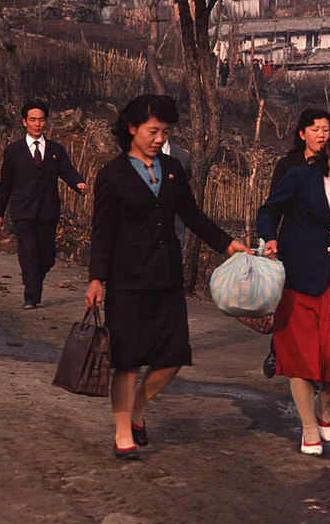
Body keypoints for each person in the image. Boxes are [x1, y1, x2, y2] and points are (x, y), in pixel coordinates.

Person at [84, 94, 248, 460]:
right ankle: (123, 432)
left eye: (165, 132)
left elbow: (192, 215)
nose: (160, 138)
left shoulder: (173, 168)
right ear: (132, 129)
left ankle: (138, 409)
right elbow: (102, 232)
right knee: (127, 361)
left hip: (167, 277)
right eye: (153, 131)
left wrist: (227, 244)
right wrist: (97, 278)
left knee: (174, 356)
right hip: (126, 281)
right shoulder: (112, 175)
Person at [256, 122, 330, 456]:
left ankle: (324, 406)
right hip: (298, 280)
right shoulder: (299, 177)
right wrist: (271, 238)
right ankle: (309, 427)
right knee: (300, 359)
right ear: (328, 151)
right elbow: (269, 212)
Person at [261, 109, 330, 378]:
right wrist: (269, 238)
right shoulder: (288, 166)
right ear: (302, 134)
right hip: (292, 244)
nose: (321, 135)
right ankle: (277, 349)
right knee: (288, 303)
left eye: (326, 130)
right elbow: (273, 206)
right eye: (315, 129)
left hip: (324, 250)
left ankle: (312, 368)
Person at [0, 100, 87, 309]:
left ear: (46, 122)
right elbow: (6, 183)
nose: (37, 124)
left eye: (41, 120)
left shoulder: (56, 150)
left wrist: (78, 183)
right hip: (23, 211)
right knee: (28, 253)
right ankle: (31, 296)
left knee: (47, 256)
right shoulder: (14, 151)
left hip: (47, 210)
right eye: (33, 120)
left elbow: (67, 171)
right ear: (25, 122)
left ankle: (35, 279)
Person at [161, 137, 192, 247]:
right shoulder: (132, 156)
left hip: (174, 239)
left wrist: (225, 243)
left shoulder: (184, 158)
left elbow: (187, 205)